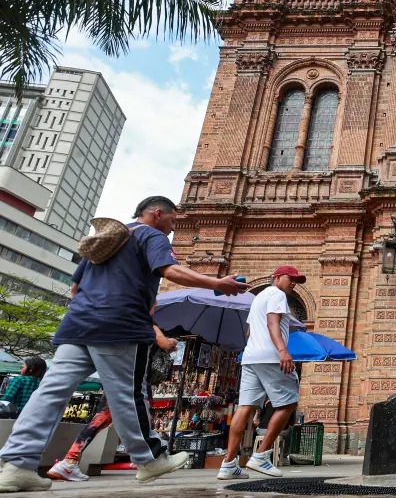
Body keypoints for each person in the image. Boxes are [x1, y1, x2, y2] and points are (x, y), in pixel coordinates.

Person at [0, 196, 247, 493]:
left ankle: (17, 466)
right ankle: (150, 458)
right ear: (157, 214)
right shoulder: (149, 234)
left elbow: (76, 287)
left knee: (50, 392)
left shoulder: (107, 238)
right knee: (130, 392)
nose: (172, 228)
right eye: (172, 221)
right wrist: (218, 284)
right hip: (119, 324)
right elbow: (170, 271)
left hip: (78, 323)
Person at [46, 324, 177, 482]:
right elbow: (163, 343)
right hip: (128, 382)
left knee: (111, 419)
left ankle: (145, 460)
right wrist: (170, 342)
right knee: (108, 418)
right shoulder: (144, 321)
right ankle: (70, 460)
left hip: (120, 378)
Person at [218, 265, 305, 480]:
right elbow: (272, 322)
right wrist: (282, 350)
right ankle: (261, 456)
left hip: (251, 357)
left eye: (296, 280)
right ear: (276, 277)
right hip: (271, 357)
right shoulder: (277, 295)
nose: (293, 283)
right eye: (290, 278)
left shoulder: (258, 297)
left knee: (245, 407)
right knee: (288, 403)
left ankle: (229, 464)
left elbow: (250, 332)